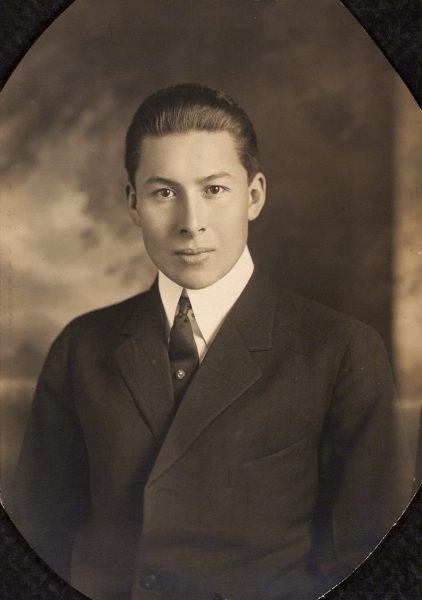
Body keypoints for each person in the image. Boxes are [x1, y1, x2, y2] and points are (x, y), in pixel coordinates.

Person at [9, 83, 413, 600]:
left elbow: (373, 557)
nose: (190, 224)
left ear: (254, 196)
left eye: (214, 190)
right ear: (133, 203)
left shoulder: (340, 349)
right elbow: (35, 540)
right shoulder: (82, 347)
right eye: (164, 192)